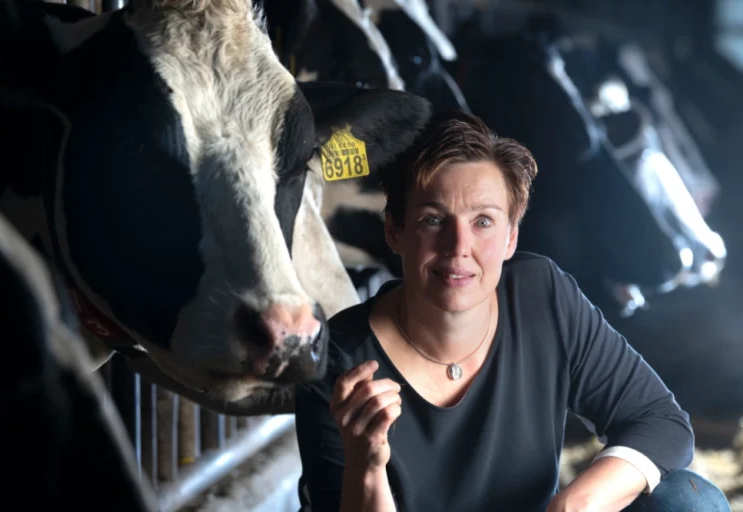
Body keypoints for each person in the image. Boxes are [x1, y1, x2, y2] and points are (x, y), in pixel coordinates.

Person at [294, 110, 731, 512]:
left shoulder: (541, 295)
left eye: (483, 221)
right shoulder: (339, 365)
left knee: (689, 502)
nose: (458, 247)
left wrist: (574, 504)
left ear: (510, 238)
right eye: (433, 219)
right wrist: (367, 466)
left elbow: (661, 422)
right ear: (394, 229)